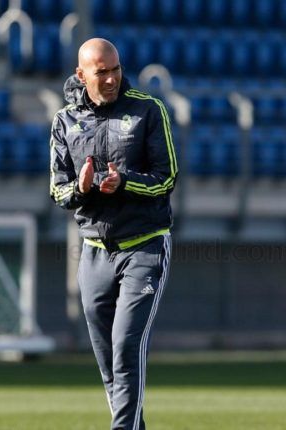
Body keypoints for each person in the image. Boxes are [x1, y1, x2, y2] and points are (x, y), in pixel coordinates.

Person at [50, 38, 178, 430]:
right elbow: (59, 190)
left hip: (145, 246)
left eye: (115, 69)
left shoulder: (147, 110)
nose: (110, 79)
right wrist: (82, 189)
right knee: (108, 361)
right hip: (93, 253)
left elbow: (166, 178)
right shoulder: (65, 121)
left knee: (126, 348)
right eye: (100, 72)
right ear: (81, 74)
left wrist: (123, 181)